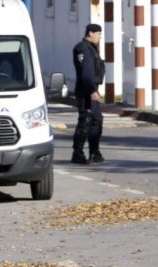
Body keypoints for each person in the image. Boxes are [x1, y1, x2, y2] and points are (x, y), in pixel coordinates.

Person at [71, 23, 106, 165]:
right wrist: (92, 90)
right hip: (86, 90)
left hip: (92, 90)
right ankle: (77, 153)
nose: (99, 37)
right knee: (85, 120)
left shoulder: (91, 48)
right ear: (90, 33)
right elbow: (86, 73)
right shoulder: (83, 48)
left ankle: (94, 152)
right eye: (98, 34)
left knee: (96, 120)